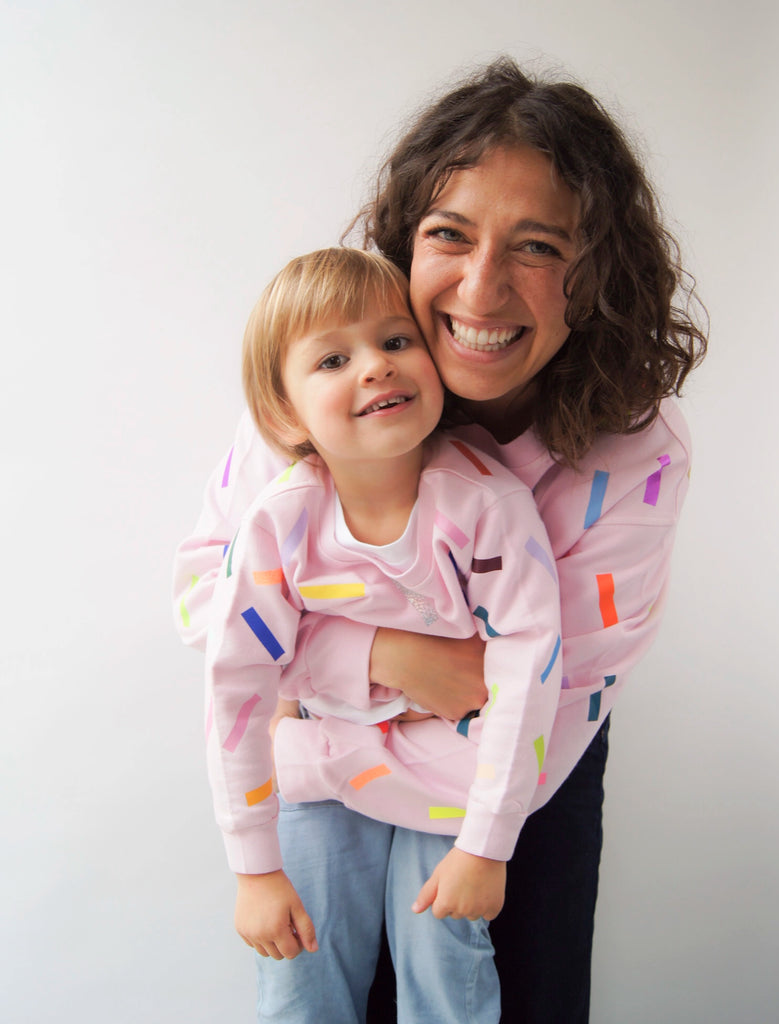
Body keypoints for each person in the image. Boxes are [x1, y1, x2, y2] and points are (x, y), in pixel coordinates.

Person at [174, 57, 707, 1024]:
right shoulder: (321, 392)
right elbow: (205, 595)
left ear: (593, 277)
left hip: (513, 779)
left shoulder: (635, 454)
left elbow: (542, 685)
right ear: (402, 242)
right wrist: (382, 656)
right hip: (326, 767)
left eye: (537, 247)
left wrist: (310, 701)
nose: (481, 286)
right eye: (448, 234)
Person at [205, 246, 564, 1022]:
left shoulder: (487, 505)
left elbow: (528, 670)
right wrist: (253, 869)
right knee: (299, 971)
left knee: (442, 957)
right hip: (321, 757)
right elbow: (236, 688)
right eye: (333, 359)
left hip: (453, 767)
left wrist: (486, 845)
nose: (375, 366)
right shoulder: (276, 522)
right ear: (284, 414)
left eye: (396, 341)